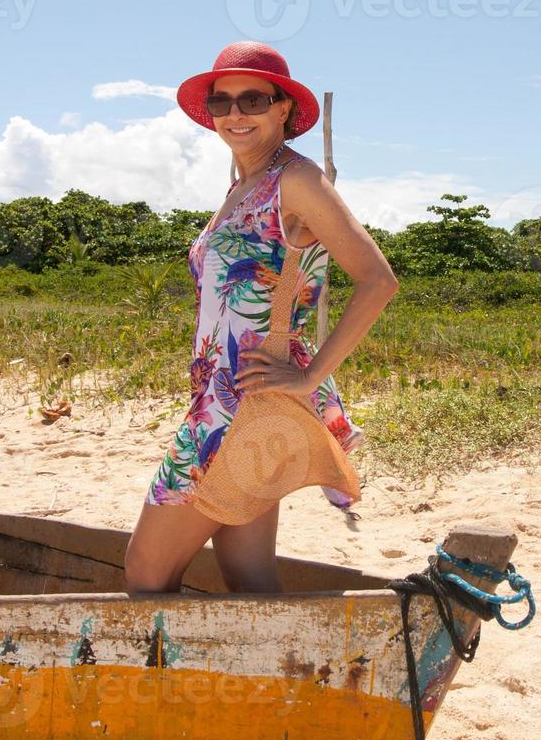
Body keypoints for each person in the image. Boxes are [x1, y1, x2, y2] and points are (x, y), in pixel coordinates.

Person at [123, 41, 400, 595]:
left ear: (283, 109)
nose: (235, 114)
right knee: (249, 579)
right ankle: (277, 681)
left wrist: (309, 377)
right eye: (222, 103)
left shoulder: (296, 181)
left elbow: (378, 280)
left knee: (147, 572)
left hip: (246, 404)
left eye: (252, 99)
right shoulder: (242, 186)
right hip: (227, 400)